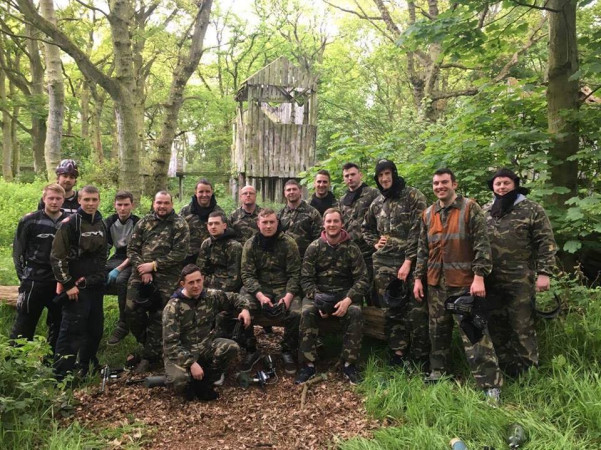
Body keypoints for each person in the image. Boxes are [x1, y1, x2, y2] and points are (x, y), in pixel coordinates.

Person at [413, 169, 503, 403]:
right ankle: (439, 373)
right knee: (437, 332)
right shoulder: (428, 214)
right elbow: (422, 250)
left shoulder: (469, 208)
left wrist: (479, 276)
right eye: (436, 183)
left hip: (463, 284)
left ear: (454, 184)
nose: (439, 186)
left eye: (444, 182)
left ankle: (490, 384)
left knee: (474, 334)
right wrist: (418, 278)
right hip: (436, 284)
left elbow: (482, 245)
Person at [484, 168, 557, 378]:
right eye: (498, 183)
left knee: (522, 324)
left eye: (506, 183)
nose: (501, 187)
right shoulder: (486, 210)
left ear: (515, 184)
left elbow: (546, 242)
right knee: (496, 323)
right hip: (492, 279)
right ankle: (504, 368)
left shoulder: (532, 209)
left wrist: (544, 273)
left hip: (520, 278)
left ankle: (528, 371)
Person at [362, 159, 429, 369]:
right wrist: (375, 242)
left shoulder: (413, 196)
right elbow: (366, 227)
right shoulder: (377, 202)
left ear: (394, 173)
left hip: (411, 262)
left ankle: (420, 355)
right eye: (380, 175)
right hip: (383, 263)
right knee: (392, 309)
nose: (384, 178)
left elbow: (420, 232)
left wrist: (408, 261)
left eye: (387, 174)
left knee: (417, 309)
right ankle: (398, 353)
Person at [297, 208, 368, 384]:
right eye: (329, 221)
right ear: (324, 224)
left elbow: (362, 279)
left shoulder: (352, 248)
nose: (332, 225)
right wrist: (317, 299)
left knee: (356, 313)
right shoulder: (314, 247)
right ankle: (308, 364)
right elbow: (305, 279)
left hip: (345, 294)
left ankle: (349, 364)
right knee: (306, 313)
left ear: (342, 224)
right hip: (319, 294)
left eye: (336, 221)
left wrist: (348, 299)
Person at [163, 264, 251, 401]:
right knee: (180, 381)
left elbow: (234, 297)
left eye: (198, 281)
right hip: (181, 352)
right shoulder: (173, 307)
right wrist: (191, 363)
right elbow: (170, 345)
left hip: (204, 346)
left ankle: (207, 380)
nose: (196, 285)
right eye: (191, 282)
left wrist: (245, 309)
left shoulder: (211, 296)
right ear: (182, 284)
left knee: (231, 347)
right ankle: (191, 380)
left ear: (203, 279)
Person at [125, 191, 190, 372]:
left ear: (172, 204)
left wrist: (153, 266)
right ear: (154, 204)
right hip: (140, 272)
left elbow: (180, 253)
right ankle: (149, 344)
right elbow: (132, 249)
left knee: (159, 314)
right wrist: (143, 268)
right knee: (131, 310)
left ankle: (149, 356)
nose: (162, 206)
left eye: (166, 203)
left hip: (167, 275)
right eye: (159, 203)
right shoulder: (144, 222)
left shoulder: (180, 224)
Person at [51, 185, 107, 380]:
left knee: (95, 329)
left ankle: (86, 366)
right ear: (79, 201)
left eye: (94, 200)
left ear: (99, 201)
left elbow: (103, 254)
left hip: (95, 286)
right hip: (75, 287)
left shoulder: (101, 223)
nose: (91, 204)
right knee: (71, 331)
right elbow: (57, 257)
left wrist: (99, 276)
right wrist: (67, 284)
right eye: (87, 200)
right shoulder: (70, 224)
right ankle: (61, 376)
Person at [240, 208, 302, 374]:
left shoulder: (288, 243)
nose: (268, 226)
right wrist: (260, 296)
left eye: (272, 222)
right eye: (265, 222)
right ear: (258, 224)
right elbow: (247, 275)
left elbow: (295, 273)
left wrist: (288, 297)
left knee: (297, 313)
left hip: (284, 287)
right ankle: (251, 349)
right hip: (259, 288)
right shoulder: (251, 244)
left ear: (277, 223)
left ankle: (287, 350)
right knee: (243, 309)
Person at [10, 184, 67, 354]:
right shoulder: (30, 220)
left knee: (58, 322)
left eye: (58, 198)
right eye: (51, 198)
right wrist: (23, 277)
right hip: (34, 280)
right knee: (24, 322)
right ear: (44, 199)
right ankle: (16, 361)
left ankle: (52, 361)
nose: (54, 202)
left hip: (58, 281)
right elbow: (18, 251)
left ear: (63, 200)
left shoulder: (69, 222)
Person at [197, 211, 243, 338]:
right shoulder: (206, 244)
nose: (213, 226)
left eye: (216, 223)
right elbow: (200, 272)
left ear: (224, 225)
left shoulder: (234, 246)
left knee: (221, 316)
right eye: (210, 224)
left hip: (228, 292)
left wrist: (216, 292)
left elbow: (234, 279)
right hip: (208, 288)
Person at [339, 163, 380, 303]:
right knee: (354, 292)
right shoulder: (343, 200)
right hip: (350, 251)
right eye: (346, 176)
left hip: (369, 250)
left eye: (352, 174)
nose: (350, 178)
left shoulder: (373, 194)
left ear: (360, 175)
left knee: (372, 291)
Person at [105, 191, 140, 346]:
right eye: (119, 205)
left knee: (121, 280)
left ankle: (123, 323)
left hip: (132, 259)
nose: (123, 208)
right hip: (117, 256)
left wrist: (119, 269)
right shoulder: (109, 222)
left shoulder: (138, 223)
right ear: (115, 205)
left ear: (132, 205)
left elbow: (135, 251)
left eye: (126, 205)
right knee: (95, 278)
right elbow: (105, 247)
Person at [180, 179, 225, 264]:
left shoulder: (219, 212)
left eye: (207, 191)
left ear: (212, 192)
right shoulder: (185, 211)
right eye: (201, 192)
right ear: (196, 192)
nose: (204, 195)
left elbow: (225, 234)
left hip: (212, 257)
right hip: (189, 257)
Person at [278, 179, 322, 258]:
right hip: (285, 259)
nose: (291, 192)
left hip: (306, 258)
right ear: (285, 193)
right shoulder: (280, 214)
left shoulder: (312, 213)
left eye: (294, 189)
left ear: (300, 191)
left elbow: (319, 239)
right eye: (288, 190)